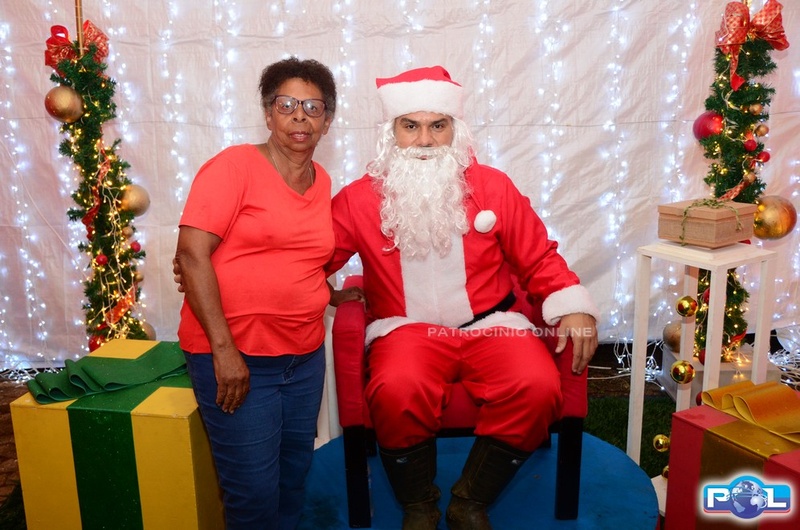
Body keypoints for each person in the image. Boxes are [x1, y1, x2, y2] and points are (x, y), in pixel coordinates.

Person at [325, 66, 600, 530]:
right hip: (405, 329)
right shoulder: (358, 199)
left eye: (438, 125)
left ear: (456, 129)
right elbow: (314, 256)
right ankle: (418, 504)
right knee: (396, 389)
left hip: (493, 324)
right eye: (410, 126)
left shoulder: (493, 186)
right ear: (391, 132)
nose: (425, 140)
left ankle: (471, 501)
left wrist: (571, 303)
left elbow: (537, 256)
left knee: (536, 385)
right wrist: (321, 289)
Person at [174, 57, 344, 530]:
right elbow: (191, 254)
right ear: (268, 114)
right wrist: (224, 352)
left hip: (304, 360)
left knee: (293, 476)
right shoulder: (233, 167)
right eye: (286, 104)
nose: (299, 116)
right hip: (238, 359)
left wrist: (333, 295)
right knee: (252, 493)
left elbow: (300, 255)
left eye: (313, 107)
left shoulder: (322, 181)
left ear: (327, 120)